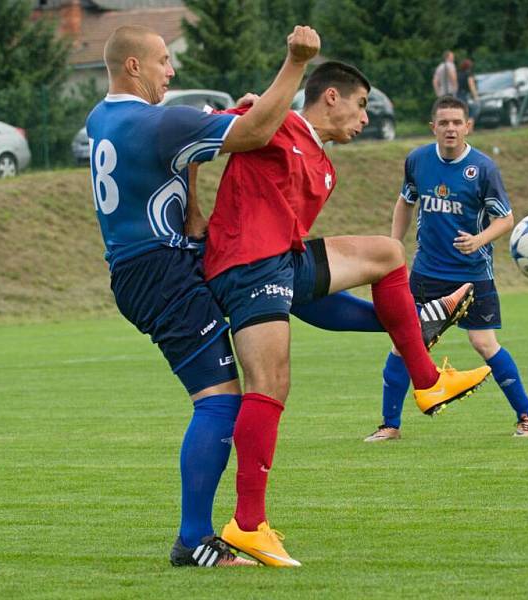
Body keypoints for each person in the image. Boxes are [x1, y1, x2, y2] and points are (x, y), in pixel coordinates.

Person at [202, 63, 492, 567]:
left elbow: (307, 289)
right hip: (247, 263)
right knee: (270, 384)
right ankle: (247, 525)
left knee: (386, 253)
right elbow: (198, 135)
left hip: (281, 259)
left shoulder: (325, 165)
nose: (365, 118)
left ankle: (425, 377)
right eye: (361, 106)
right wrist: (247, 111)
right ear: (331, 97)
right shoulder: (272, 122)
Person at [85, 23, 321, 568]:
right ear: (134, 67)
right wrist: (296, 63)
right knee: (218, 400)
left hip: (151, 266)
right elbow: (259, 132)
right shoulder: (158, 122)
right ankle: (192, 540)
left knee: (278, 293)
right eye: (164, 60)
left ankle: (409, 327)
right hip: (160, 273)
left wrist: (210, 143)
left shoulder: (104, 117)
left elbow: (178, 152)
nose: (173, 70)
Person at [364, 95, 528, 442]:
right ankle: (390, 425)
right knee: (403, 343)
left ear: (468, 127)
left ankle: (527, 418)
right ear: (433, 127)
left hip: (473, 274)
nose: (450, 128)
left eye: (457, 122)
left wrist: (479, 239)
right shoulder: (417, 160)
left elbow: (505, 219)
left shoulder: (483, 168)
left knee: (483, 342)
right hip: (426, 273)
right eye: (443, 122)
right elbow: (405, 202)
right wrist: (393, 246)